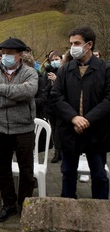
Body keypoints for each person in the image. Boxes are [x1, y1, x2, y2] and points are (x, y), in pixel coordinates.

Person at [50, 26, 110, 200]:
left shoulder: (105, 69)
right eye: (70, 44)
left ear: (89, 44)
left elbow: (108, 100)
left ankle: (100, 214)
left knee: (99, 175)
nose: (72, 47)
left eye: (77, 43)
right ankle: (68, 209)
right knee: (68, 173)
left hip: (96, 131)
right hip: (70, 130)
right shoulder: (65, 69)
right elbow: (56, 97)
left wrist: (88, 119)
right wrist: (74, 118)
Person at [0, 37, 38, 222]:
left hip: (23, 130)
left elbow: (29, 91)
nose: (4, 56)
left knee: (26, 171)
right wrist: (15, 96)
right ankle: (8, 204)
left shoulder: (30, 73)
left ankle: (24, 204)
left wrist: (2, 90)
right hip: (0, 129)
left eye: (9, 53)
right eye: (3, 53)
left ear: (20, 55)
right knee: (3, 170)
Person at [42, 51, 64, 163]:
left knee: (61, 129)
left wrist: (56, 81)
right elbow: (45, 90)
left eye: (57, 59)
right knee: (54, 129)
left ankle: (63, 151)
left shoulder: (63, 72)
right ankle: (57, 151)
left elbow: (65, 89)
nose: (55, 62)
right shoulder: (47, 73)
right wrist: (50, 84)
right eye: (52, 60)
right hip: (50, 106)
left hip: (61, 105)